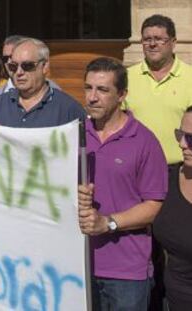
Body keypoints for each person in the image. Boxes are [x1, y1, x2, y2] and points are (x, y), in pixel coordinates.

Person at [78, 57, 168, 310]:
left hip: (126, 272)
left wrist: (108, 223)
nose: (92, 97)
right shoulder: (74, 135)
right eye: (88, 88)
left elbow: (153, 205)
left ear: (122, 95)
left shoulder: (144, 140)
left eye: (103, 90)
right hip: (77, 264)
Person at [124, 14, 192, 166]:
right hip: (137, 169)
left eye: (159, 39)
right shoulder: (126, 78)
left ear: (173, 42)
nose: (152, 44)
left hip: (181, 170)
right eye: (147, 39)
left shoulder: (190, 77)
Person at [0, 37, 85, 127]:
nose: (19, 72)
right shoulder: (1, 102)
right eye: (13, 66)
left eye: (27, 66)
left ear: (44, 66)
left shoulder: (67, 107)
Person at [153, 106, 192, 310]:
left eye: (191, 139)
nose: (182, 144)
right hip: (171, 300)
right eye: (180, 135)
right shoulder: (167, 179)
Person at [0, 35, 60, 99]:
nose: (9, 62)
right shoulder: (0, 93)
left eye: (12, 56)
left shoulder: (53, 92)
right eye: (5, 58)